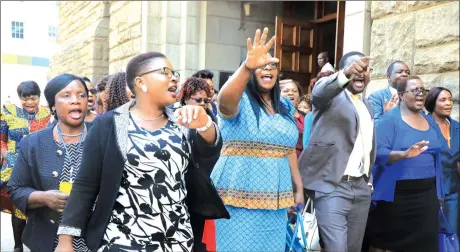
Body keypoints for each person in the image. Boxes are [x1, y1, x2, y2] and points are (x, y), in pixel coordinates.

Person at [55, 52, 225, 252]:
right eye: (165, 72)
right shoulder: (108, 124)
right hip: (121, 239)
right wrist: (65, 240)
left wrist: (205, 125)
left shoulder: (183, 120)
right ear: (141, 82)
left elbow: (208, 157)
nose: (174, 77)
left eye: (175, 73)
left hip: (177, 240)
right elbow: (85, 185)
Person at [211, 27, 304, 251]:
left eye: (272, 65)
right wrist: (246, 67)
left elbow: (288, 149)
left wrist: (298, 187)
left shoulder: (285, 106)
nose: (267, 69)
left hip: (276, 198)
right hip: (238, 193)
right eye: (260, 65)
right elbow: (223, 101)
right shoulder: (239, 101)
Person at [299, 51, 376, 252]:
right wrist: (346, 74)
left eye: (365, 69)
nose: (360, 73)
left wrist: (368, 182)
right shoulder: (330, 98)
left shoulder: (366, 105)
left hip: (360, 187)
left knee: (353, 248)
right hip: (332, 186)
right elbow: (319, 92)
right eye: (355, 68)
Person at [7, 74, 91, 252]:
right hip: (48, 241)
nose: (76, 101)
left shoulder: (103, 137)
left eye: (82, 95)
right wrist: (44, 198)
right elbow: (15, 189)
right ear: (53, 105)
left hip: (95, 240)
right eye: (66, 95)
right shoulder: (34, 143)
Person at [369, 76, 444, 252]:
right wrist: (404, 154)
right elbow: (377, 154)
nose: (420, 94)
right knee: (388, 244)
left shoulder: (429, 120)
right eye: (415, 90)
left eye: (422, 90)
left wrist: (439, 194)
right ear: (402, 95)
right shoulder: (390, 120)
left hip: (426, 195)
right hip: (397, 196)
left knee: (425, 244)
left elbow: (437, 157)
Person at [0, 80, 51, 252]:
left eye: (33, 98)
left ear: (39, 97)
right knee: (19, 210)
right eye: (25, 98)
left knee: (41, 207)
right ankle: (17, 245)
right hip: (14, 168)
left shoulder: (47, 113)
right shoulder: (8, 112)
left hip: (40, 167)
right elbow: (2, 141)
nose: (29, 102)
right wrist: (9, 156)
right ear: (19, 98)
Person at [176, 76, 220, 251]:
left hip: (201, 186)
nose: (202, 103)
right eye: (198, 99)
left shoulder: (210, 119)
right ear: (186, 98)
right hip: (178, 185)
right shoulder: (173, 116)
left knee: (199, 239)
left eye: (206, 100)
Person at [425, 87, 460, 239]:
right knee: (429, 237)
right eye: (443, 100)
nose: (448, 103)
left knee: (451, 237)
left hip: (453, 192)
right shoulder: (423, 125)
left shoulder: (457, 127)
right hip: (429, 192)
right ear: (433, 102)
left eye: (450, 99)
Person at [280, 79, 306, 158]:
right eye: (286, 91)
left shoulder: (305, 117)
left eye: (294, 91)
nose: (290, 93)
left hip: (301, 161)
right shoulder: (273, 115)